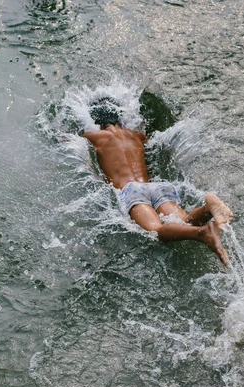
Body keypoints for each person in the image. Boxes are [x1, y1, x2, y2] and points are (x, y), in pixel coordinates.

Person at [82, 98, 233, 267]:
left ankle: (203, 232)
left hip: (131, 190)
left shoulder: (95, 137)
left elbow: (69, 143)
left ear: (97, 121)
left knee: (156, 230)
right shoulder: (136, 135)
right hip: (157, 187)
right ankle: (207, 209)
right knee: (185, 221)